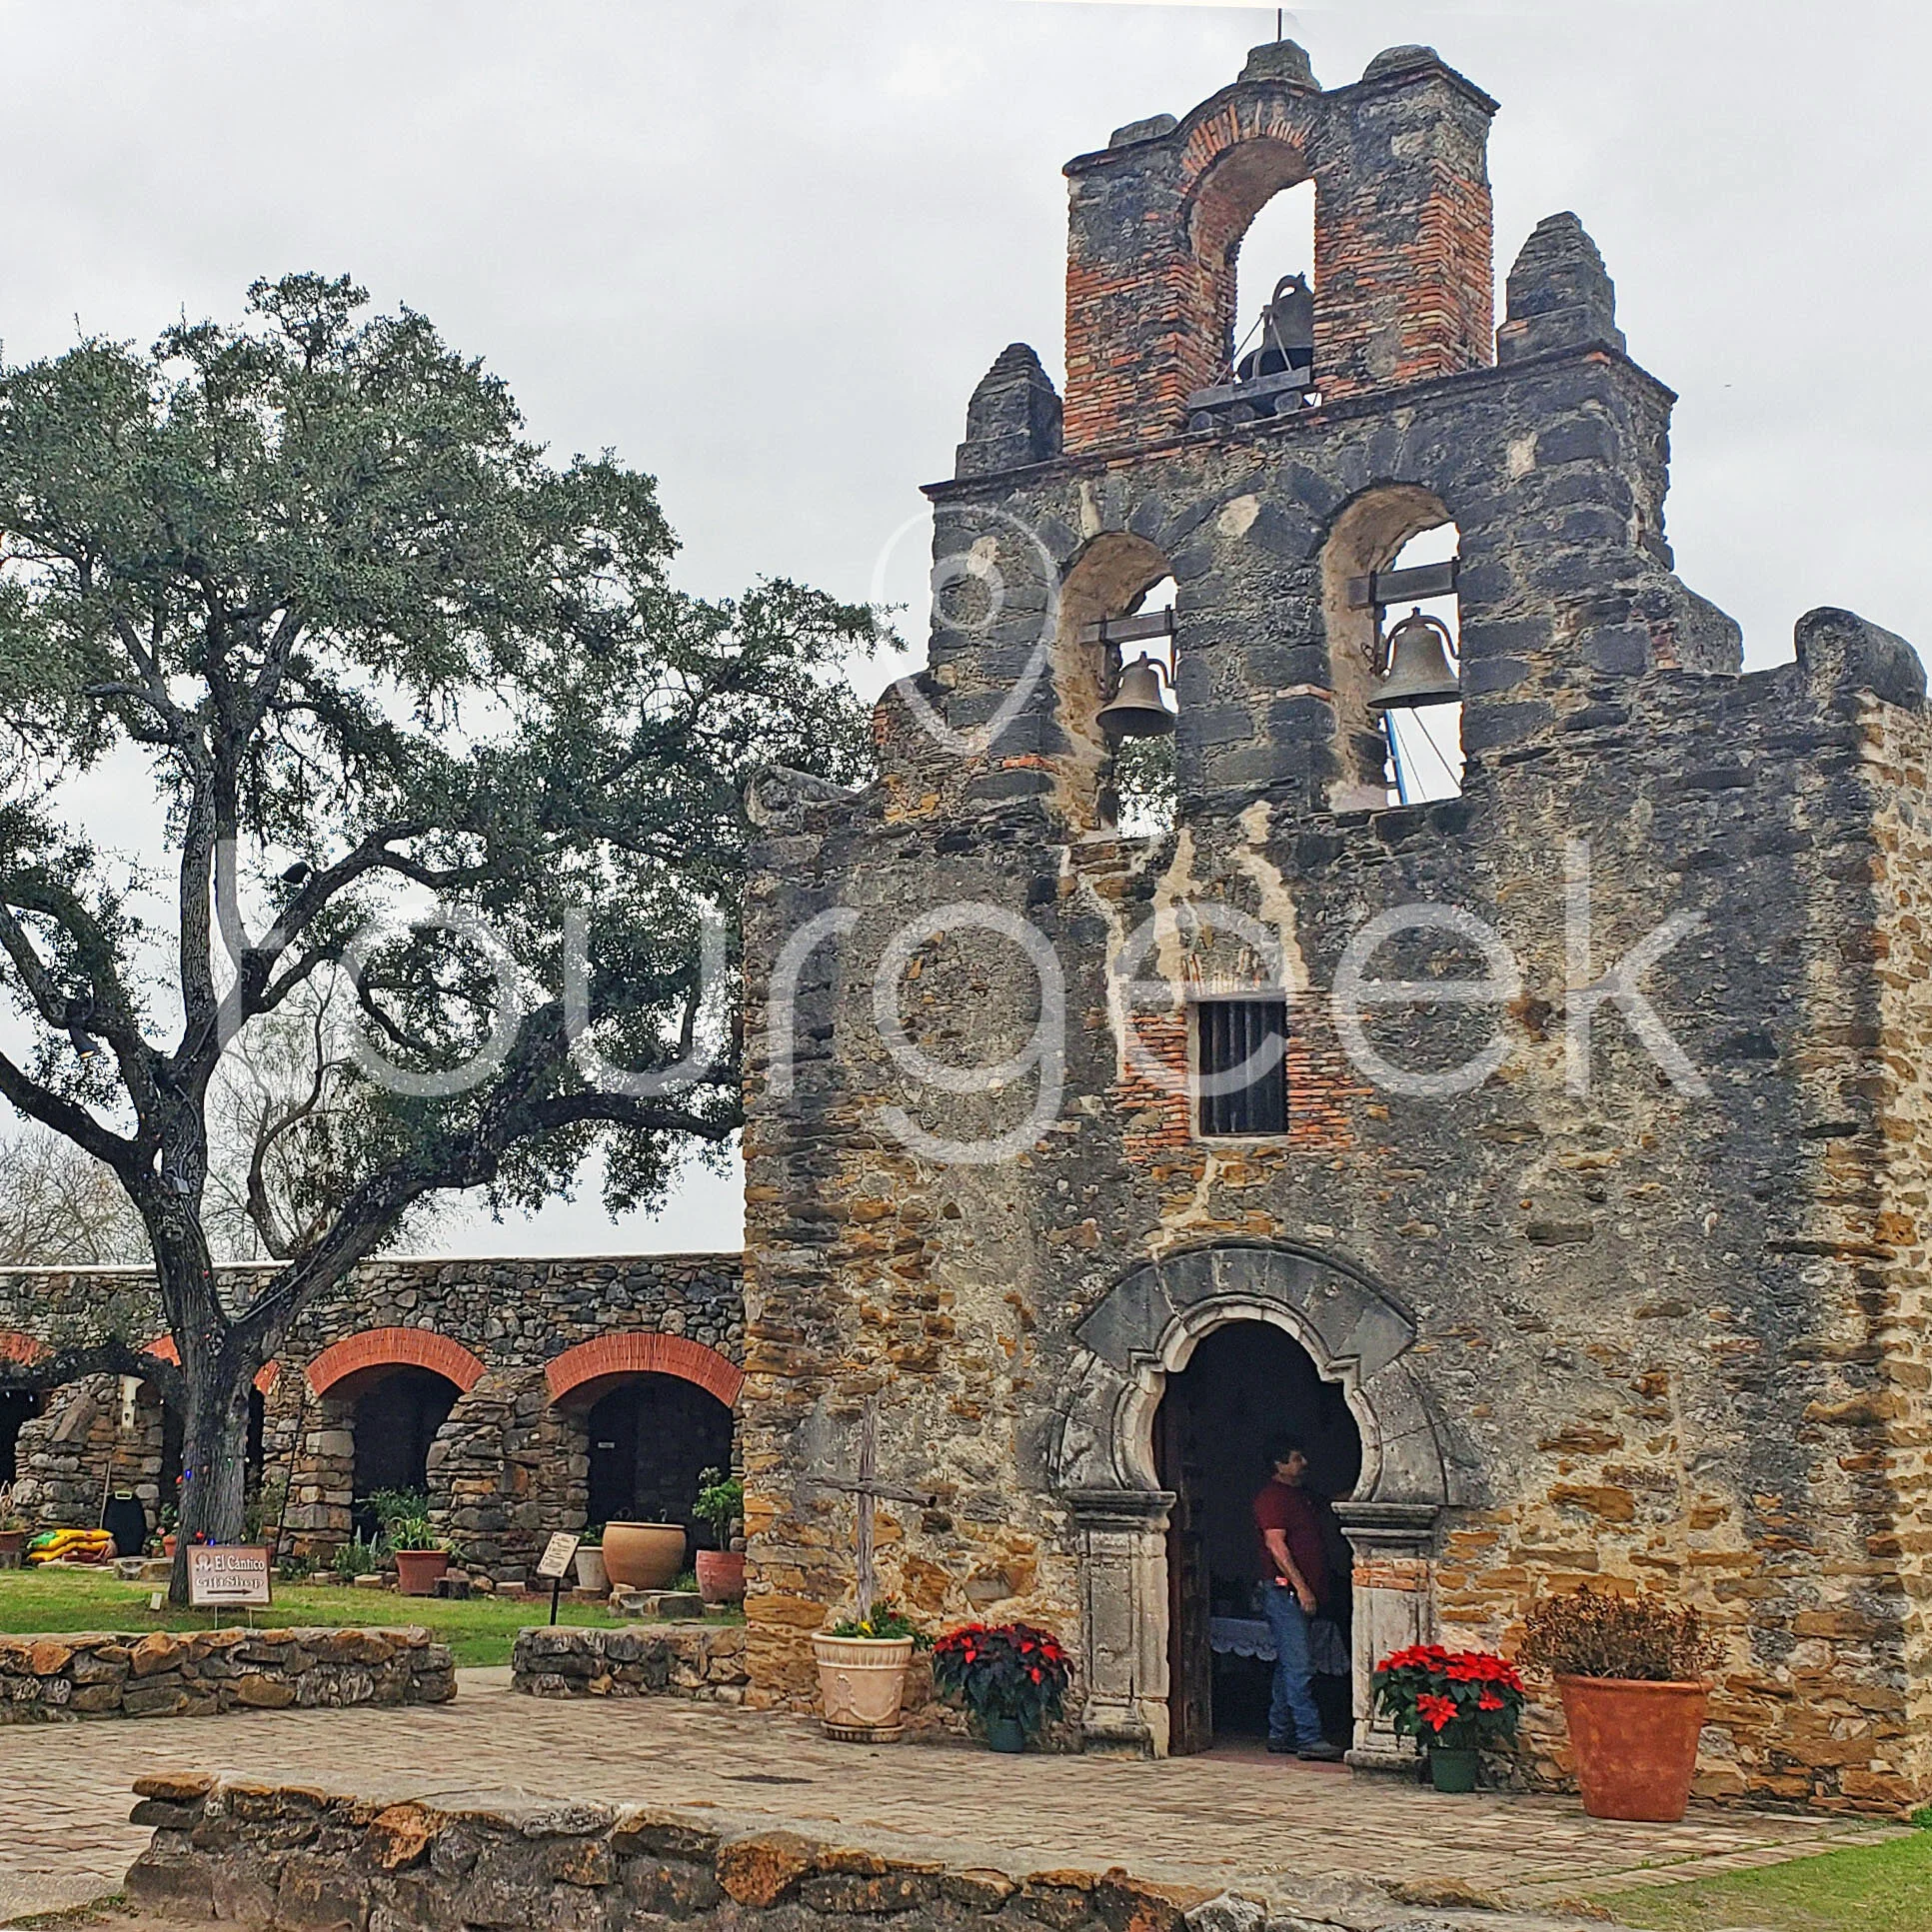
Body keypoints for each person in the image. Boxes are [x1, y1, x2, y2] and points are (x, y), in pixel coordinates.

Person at [1252, 1433, 1344, 1761]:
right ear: (1279, 1464)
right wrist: (1302, 1587)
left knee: (1289, 1666)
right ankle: (1308, 1737)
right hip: (1284, 1593)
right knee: (1301, 1667)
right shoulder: (1273, 1499)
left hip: (1295, 1592)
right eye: (1296, 1458)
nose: (1304, 1463)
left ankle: (1280, 1733)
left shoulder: (1301, 1497)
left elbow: (1333, 1503)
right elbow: (1276, 1545)